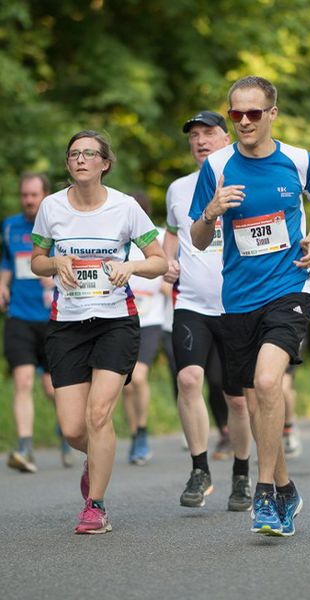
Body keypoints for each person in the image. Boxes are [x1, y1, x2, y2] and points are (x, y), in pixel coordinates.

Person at [189, 75, 310, 536]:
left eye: (255, 113)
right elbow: (197, 237)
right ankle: (287, 487)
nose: (245, 121)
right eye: (237, 114)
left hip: (290, 288)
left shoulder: (299, 161)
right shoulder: (216, 166)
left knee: (269, 380)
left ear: (272, 113)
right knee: (255, 398)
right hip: (238, 297)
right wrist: (211, 212)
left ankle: (266, 493)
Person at [31, 130, 167, 534]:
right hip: (68, 324)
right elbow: (37, 260)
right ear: (68, 163)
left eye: (90, 153)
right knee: (74, 428)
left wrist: (132, 267)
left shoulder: (125, 208)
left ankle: (96, 506)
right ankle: (98, 458)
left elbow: (158, 261)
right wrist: (55, 262)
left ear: (105, 163)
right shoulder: (51, 207)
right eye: (74, 153)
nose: (81, 159)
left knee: (98, 413)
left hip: (115, 322)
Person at [163, 110, 253, 512]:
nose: (200, 141)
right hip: (192, 303)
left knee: (236, 399)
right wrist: (167, 260)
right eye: (194, 135)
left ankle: (241, 473)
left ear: (227, 137)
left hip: (238, 304)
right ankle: (200, 469)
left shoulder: (249, 178)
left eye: (209, 133)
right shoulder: (178, 190)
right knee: (188, 378)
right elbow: (171, 232)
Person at [1, 173, 72, 472]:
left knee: (52, 388)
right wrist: (2, 284)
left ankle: (67, 436)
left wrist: (54, 275)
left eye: (34, 195)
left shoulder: (59, 224)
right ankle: (25, 448)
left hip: (53, 317)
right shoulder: (9, 226)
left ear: (44, 196)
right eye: (25, 195)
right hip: (19, 315)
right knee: (23, 381)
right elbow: (6, 260)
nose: (29, 200)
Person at [122, 191, 168, 466]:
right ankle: (136, 433)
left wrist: (166, 285)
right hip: (123, 317)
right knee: (126, 384)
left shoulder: (158, 237)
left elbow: (171, 268)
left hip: (150, 320)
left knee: (138, 377)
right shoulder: (116, 237)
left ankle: (142, 431)